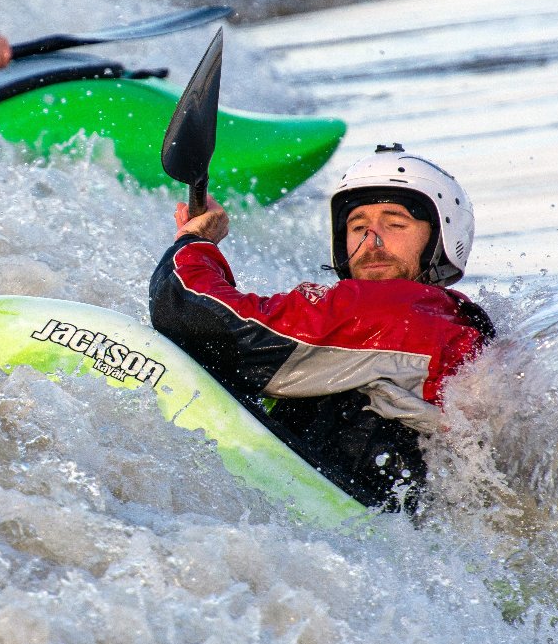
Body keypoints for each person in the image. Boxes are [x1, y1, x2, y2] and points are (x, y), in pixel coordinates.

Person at [149, 143, 495, 511]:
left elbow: (188, 308)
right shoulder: (458, 319)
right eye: (357, 226)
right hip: (391, 527)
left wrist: (196, 241)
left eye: (395, 224)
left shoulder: (393, 310)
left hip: (340, 517)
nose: (371, 242)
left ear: (441, 238)